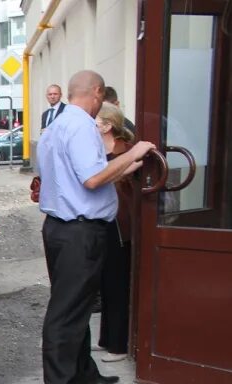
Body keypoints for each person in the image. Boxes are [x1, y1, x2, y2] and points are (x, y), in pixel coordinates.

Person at [36, 70, 155, 384]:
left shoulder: (57, 125)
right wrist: (133, 154)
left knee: (79, 304)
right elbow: (91, 180)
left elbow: (86, 175)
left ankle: (82, 370)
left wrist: (126, 165)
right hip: (78, 231)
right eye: (102, 97)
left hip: (62, 228)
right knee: (67, 309)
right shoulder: (82, 128)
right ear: (98, 92)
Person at [95, 102, 137, 363]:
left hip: (122, 227)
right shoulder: (100, 150)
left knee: (118, 284)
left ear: (108, 125)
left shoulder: (127, 151)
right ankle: (107, 339)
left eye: (96, 122)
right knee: (106, 283)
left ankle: (119, 344)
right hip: (106, 222)